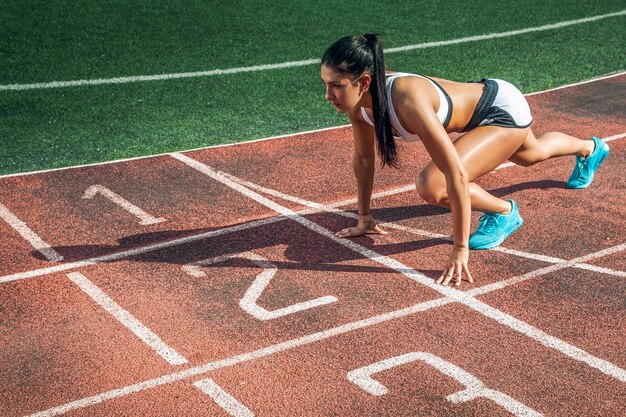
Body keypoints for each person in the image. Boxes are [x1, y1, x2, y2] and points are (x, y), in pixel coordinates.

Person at [320, 34, 610, 287]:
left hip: (500, 110)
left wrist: (459, 248)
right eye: (325, 84)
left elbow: (456, 174)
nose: (328, 95)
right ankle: (590, 148)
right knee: (531, 154)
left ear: (364, 82)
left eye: (336, 85)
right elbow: (363, 159)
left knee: (432, 184)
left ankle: (504, 212)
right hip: (486, 108)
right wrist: (364, 217)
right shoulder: (359, 105)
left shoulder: (407, 100)